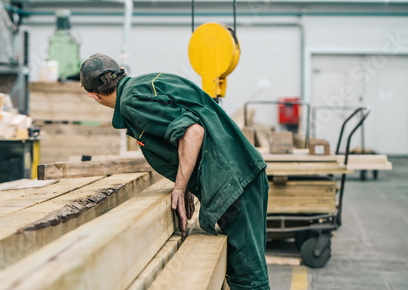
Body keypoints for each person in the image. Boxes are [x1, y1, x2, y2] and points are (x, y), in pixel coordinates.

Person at [80, 53, 270, 290]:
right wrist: (186, 178)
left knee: (248, 279)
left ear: (94, 96)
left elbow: (192, 132)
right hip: (238, 175)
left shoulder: (131, 101)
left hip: (232, 182)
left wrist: (180, 187)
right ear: (121, 71)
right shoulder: (145, 84)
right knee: (244, 270)